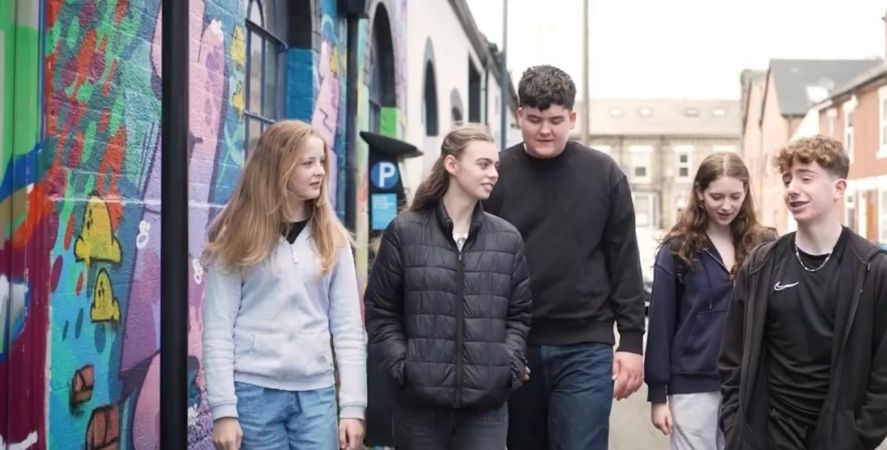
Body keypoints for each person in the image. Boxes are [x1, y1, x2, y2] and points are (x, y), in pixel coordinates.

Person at [484, 64, 646, 450]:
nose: (545, 130)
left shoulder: (603, 174)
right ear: (519, 115)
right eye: (535, 119)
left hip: (586, 346)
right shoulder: (495, 175)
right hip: (514, 344)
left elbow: (624, 260)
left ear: (572, 117)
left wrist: (632, 343)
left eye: (556, 120)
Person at [365, 125, 532, 450]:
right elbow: (381, 311)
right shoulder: (405, 232)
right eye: (483, 164)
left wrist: (507, 364)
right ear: (452, 165)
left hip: (486, 412)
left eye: (495, 165)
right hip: (420, 411)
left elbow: (519, 314)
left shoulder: (507, 239)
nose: (493, 174)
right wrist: (404, 367)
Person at [202, 120, 366, 450]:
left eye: (321, 162)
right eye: (307, 163)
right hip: (252, 394)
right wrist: (224, 412)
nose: (319, 171)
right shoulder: (238, 235)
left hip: (316, 396)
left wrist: (352, 407)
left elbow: (348, 329)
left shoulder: (332, 238)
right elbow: (218, 328)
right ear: (278, 168)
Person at [719, 135, 887, 449]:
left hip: (838, 438)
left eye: (805, 178)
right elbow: (733, 356)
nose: (792, 189)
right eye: (787, 179)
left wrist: (859, 436)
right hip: (768, 434)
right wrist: (735, 424)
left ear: (839, 188)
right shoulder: (761, 265)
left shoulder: (873, 269)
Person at [644, 152, 774, 449]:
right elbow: (661, 325)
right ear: (700, 193)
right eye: (716, 196)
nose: (726, 205)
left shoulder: (763, 246)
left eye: (734, 196)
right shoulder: (677, 249)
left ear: (745, 193)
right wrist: (657, 395)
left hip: (749, 386)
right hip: (692, 386)